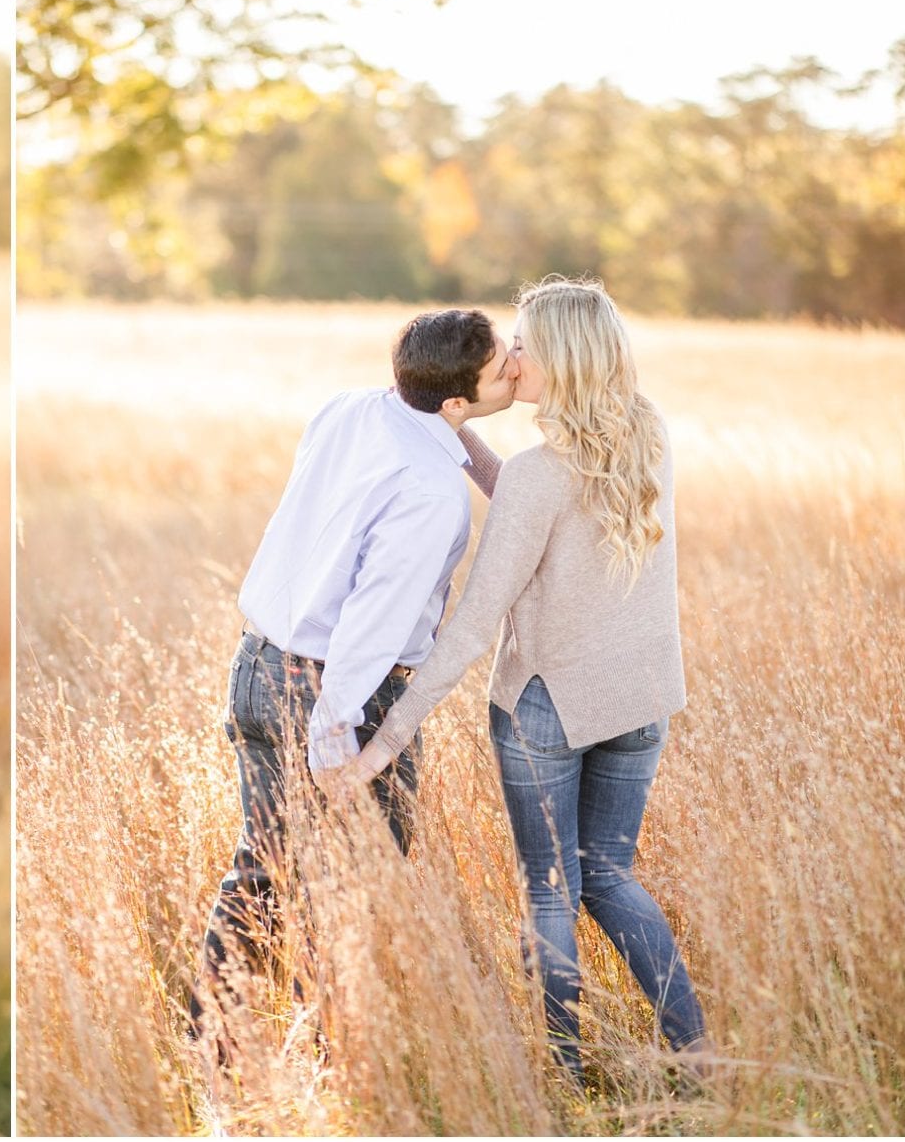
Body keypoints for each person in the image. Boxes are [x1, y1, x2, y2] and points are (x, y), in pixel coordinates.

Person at [331, 277, 710, 1079]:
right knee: (609, 876)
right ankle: (699, 1052)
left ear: (564, 359)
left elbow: (471, 624)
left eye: (526, 343)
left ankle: (566, 1078)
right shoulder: (645, 433)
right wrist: (448, 419)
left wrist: (384, 739)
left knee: (550, 889)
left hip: (549, 710)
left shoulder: (544, 473)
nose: (512, 356)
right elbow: (541, 509)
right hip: (640, 700)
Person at [192, 309, 516, 1037]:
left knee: (263, 873)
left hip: (257, 664)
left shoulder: (348, 407)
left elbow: (422, 437)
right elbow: (372, 625)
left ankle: (211, 1050)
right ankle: (332, 1058)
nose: (515, 368)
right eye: (503, 366)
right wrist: (335, 735)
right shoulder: (435, 495)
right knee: (354, 885)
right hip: (339, 690)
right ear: (456, 402)